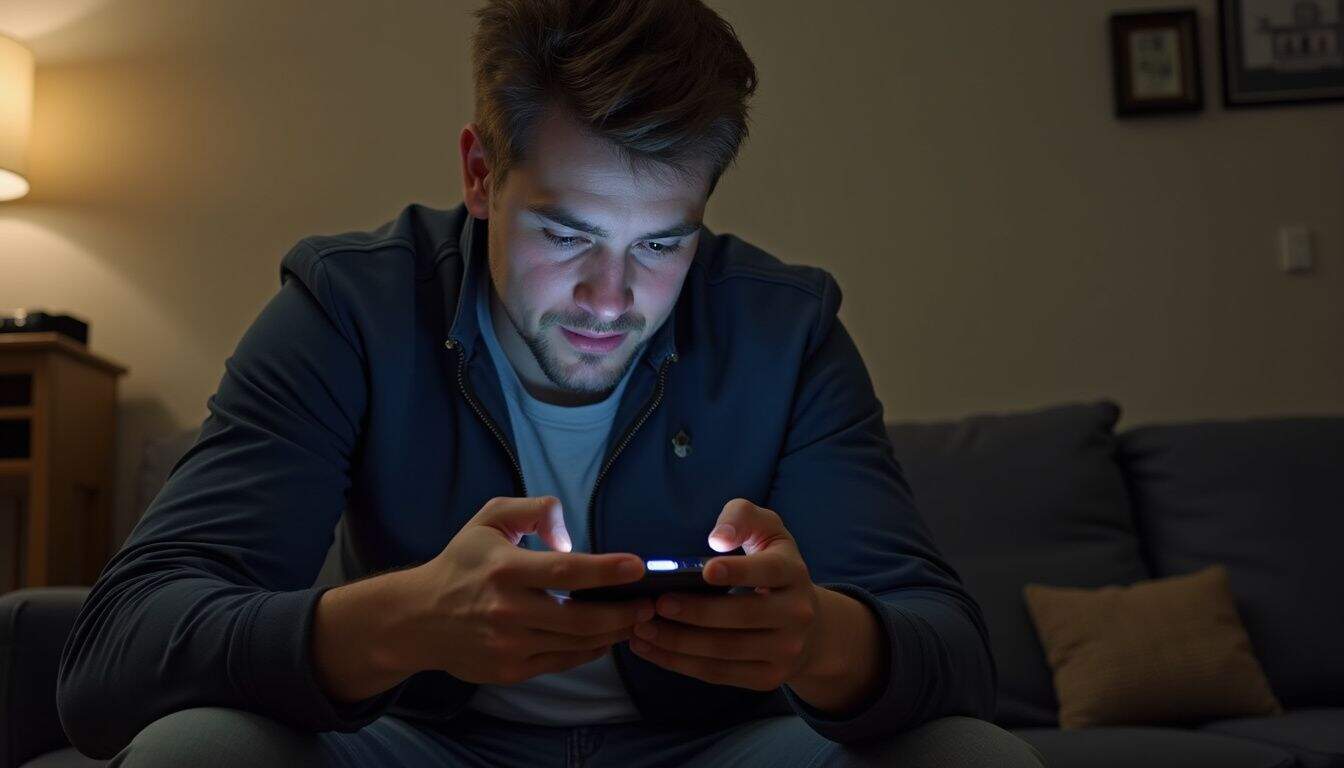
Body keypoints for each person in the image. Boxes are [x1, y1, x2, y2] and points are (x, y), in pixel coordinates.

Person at [56, 1, 1045, 765]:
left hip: (715, 750)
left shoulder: (784, 328)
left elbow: (955, 652)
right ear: (481, 177)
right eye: (566, 234)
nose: (610, 297)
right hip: (422, 745)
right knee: (196, 753)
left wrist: (818, 639)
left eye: (661, 243)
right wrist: (408, 622)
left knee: (972, 756)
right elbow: (111, 660)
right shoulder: (349, 307)